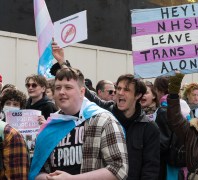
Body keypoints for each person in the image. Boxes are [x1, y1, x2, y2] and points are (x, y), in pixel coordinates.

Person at [51, 40, 160, 180]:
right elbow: (81, 90)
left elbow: (151, 168)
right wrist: (62, 62)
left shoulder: (149, 127)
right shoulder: (105, 112)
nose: (120, 93)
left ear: (138, 95)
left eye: (126, 90)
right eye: (118, 88)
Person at [30, 67, 128, 180]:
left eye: (68, 87)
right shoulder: (50, 126)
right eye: (58, 88)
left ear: (82, 92)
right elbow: (37, 171)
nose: (62, 92)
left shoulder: (104, 121)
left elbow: (119, 169)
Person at [0, 88, 29, 179]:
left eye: (15, 104)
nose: (11, 106)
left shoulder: (28, 126)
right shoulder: (3, 129)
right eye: (8, 103)